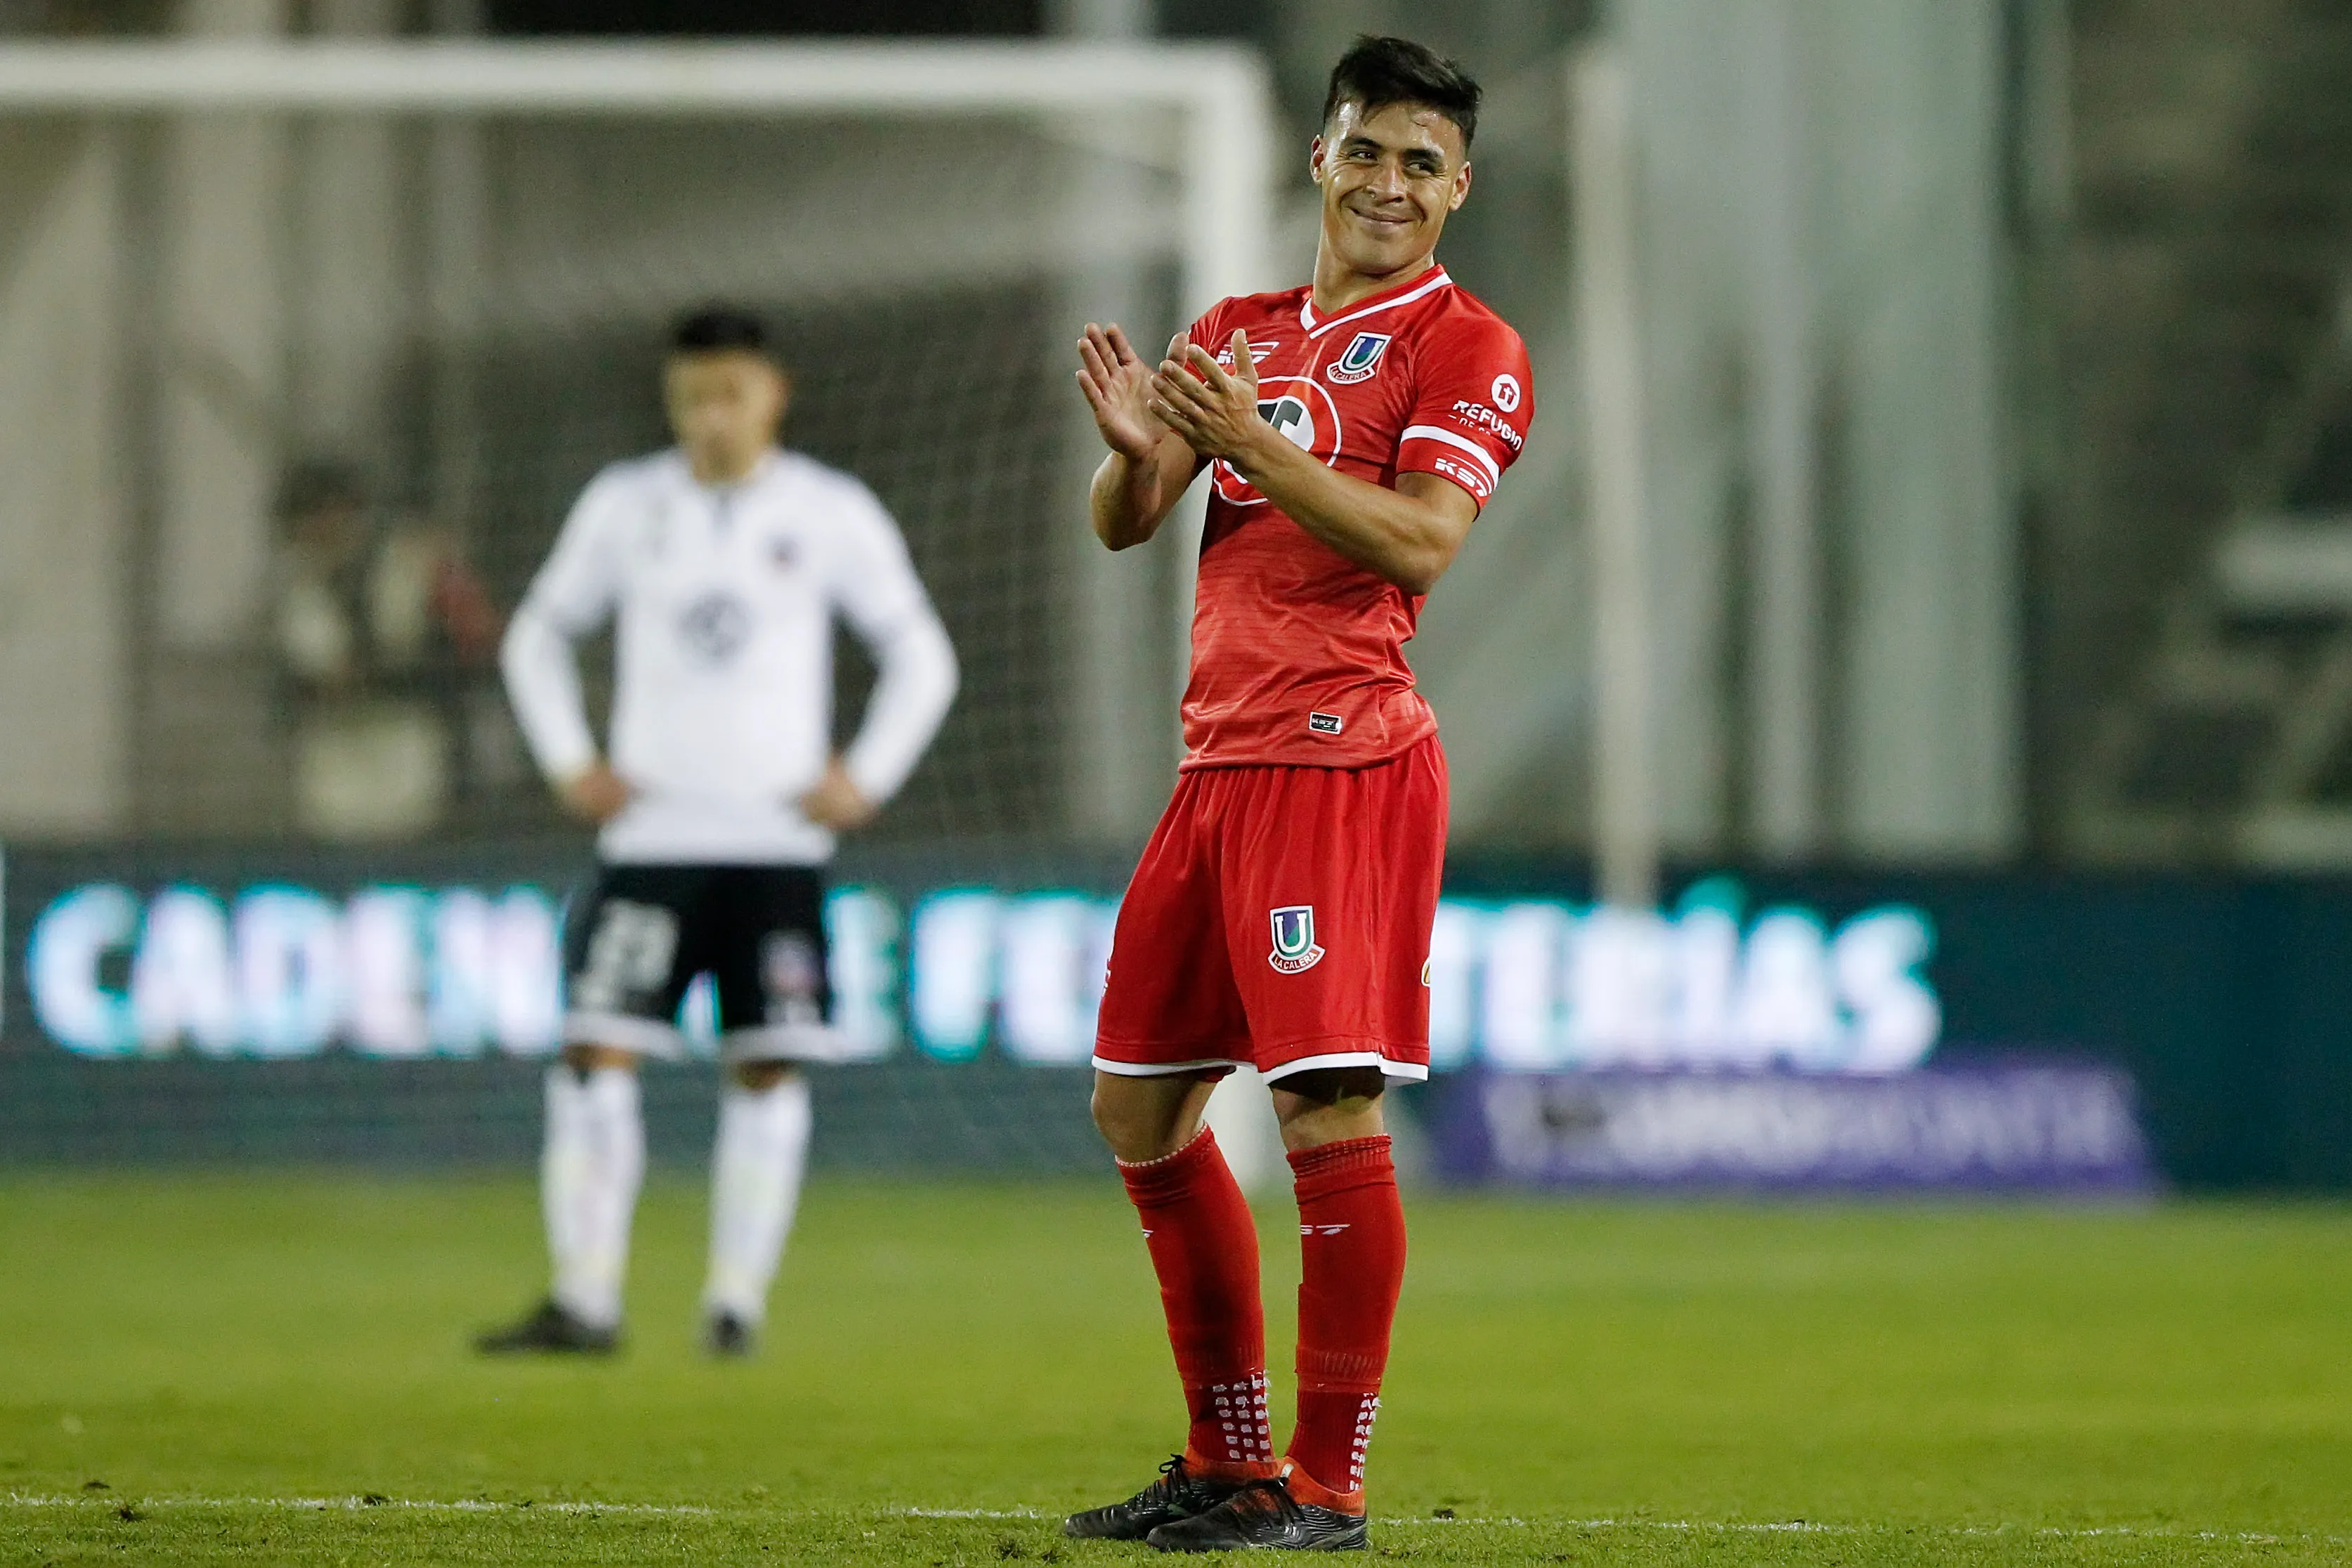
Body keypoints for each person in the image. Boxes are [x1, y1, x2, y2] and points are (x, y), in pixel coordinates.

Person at [1063, 37, 1531, 1553]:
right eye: (1366, 151)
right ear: (1321, 159)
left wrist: (1252, 438)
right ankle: (1228, 1458)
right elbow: (1131, 525)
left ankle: (1325, 1488)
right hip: (1217, 763)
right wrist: (1144, 459)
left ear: (1458, 188)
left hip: (1342, 759)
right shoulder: (1242, 328)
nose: (1388, 182)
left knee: (1326, 1107)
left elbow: (1420, 543)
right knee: (1136, 1109)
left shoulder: (1467, 344)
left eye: (1421, 161)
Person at [479, 306, 958, 1357]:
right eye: (692, 396)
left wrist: (865, 775)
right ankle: (586, 1300)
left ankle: (734, 1302)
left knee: (768, 1066)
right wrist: (570, 761)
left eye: (730, 393)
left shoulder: (830, 513)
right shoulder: (626, 505)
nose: (711, 416)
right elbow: (538, 636)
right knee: (594, 1052)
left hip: (776, 848)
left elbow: (922, 654)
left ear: (773, 393)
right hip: (649, 841)